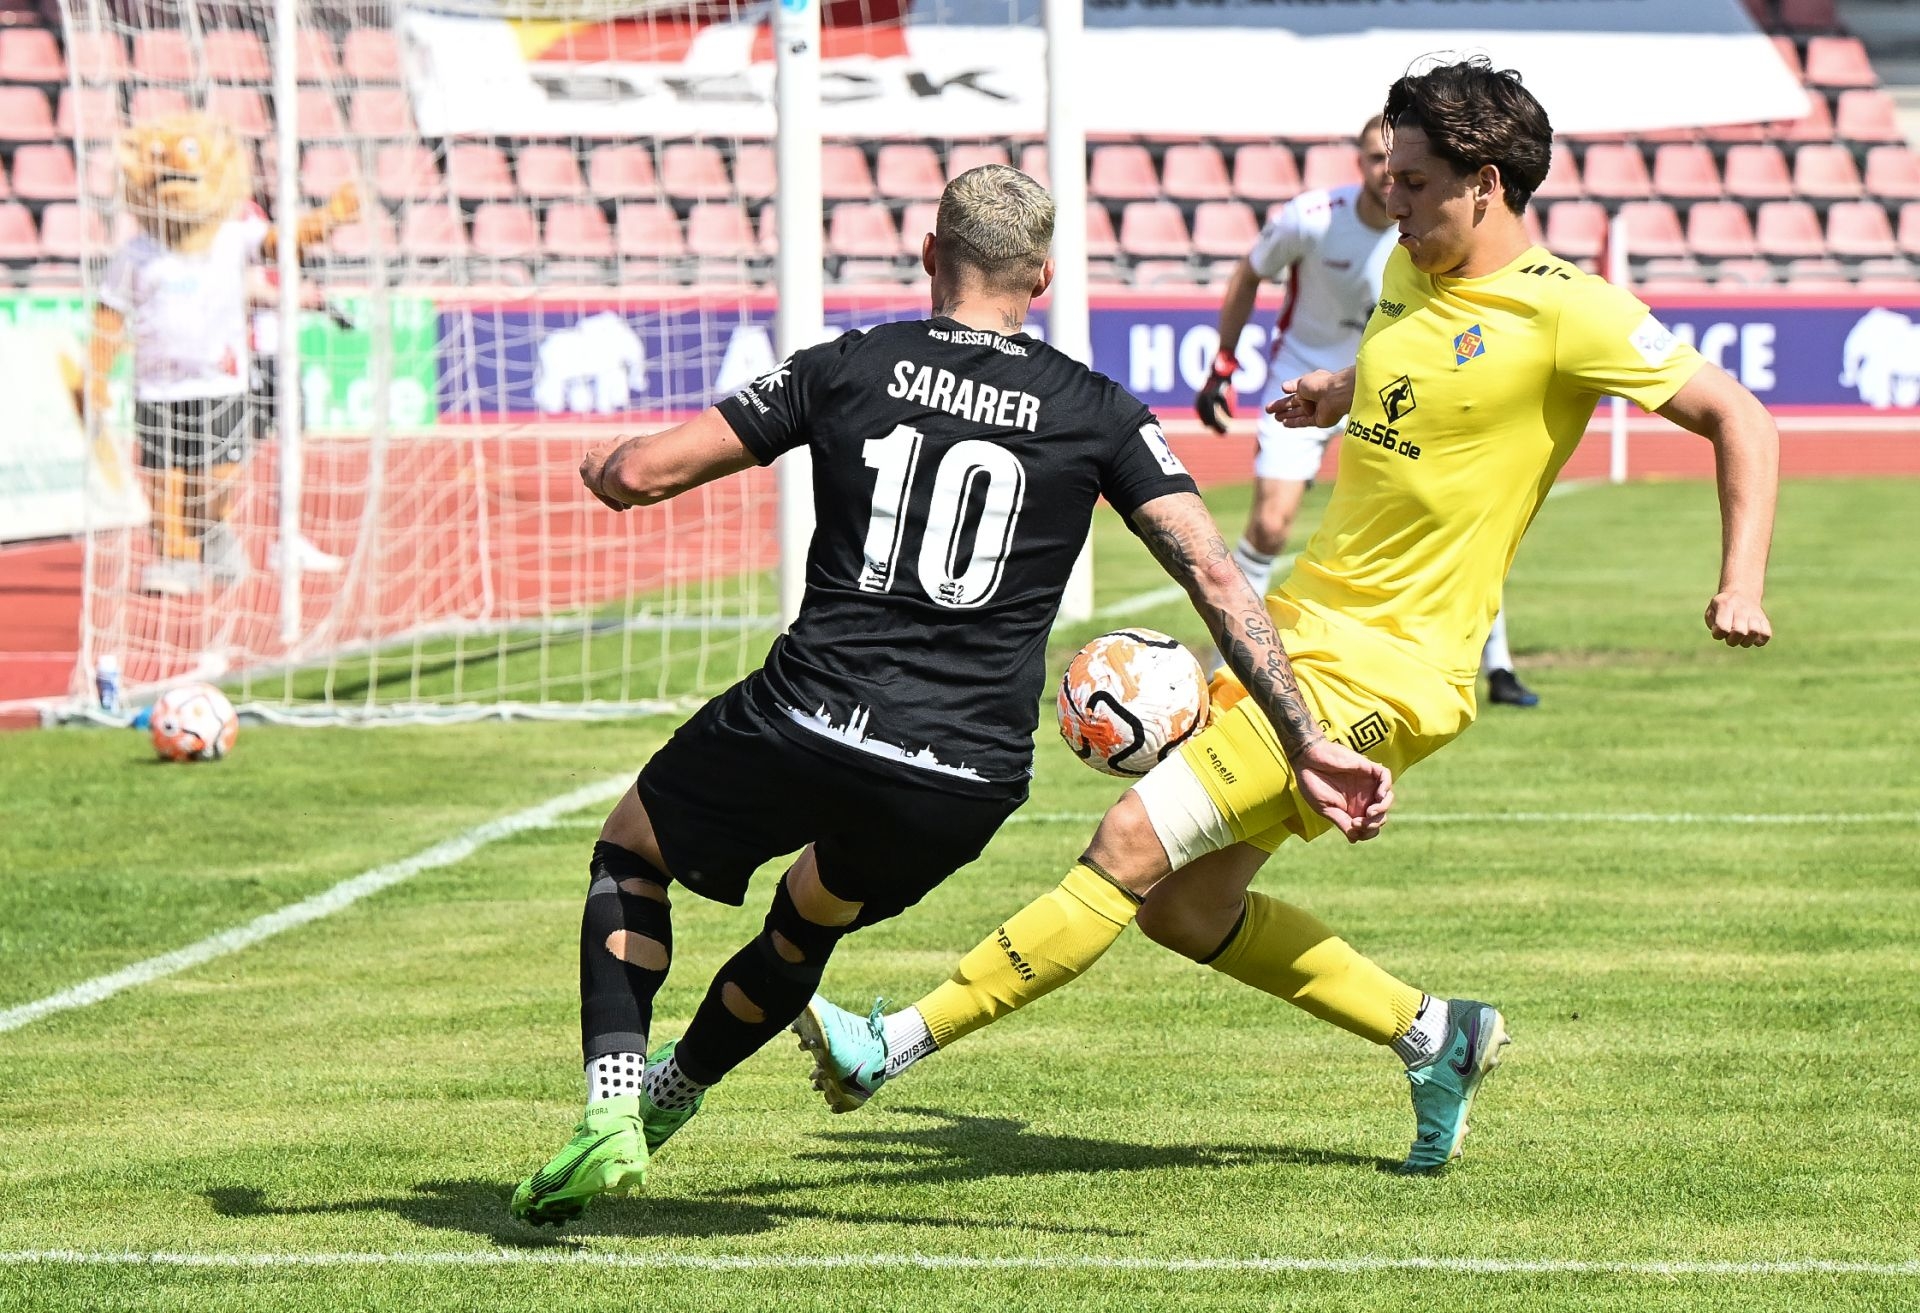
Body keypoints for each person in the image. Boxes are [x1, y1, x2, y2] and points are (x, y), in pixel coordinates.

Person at [798, 57, 1778, 1173]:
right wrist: (1340, 391)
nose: (1389, 199)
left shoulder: (1571, 309)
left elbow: (1740, 417)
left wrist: (1740, 580)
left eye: (1413, 182)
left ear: (1487, 186)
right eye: (1391, 175)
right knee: (1183, 908)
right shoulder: (1412, 266)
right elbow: (1425, 365)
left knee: (1129, 842)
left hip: (1393, 670)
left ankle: (890, 1043)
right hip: (1298, 627)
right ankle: (1436, 1034)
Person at [508, 165, 1391, 1228]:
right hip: (965, 775)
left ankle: (612, 1099)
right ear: (1044, 278)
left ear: (929, 253)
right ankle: (671, 1096)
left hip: (811, 714)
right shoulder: (1099, 410)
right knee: (807, 918)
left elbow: (645, 473)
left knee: (631, 849)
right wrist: (1303, 736)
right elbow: (1215, 572)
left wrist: (604, 464)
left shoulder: (851, 363)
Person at [1196, 117, 1540, 707]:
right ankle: (1230, 660)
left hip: (1394, 383)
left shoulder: (1432, 231)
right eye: (1373, 158)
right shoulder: (1310, 218)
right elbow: (1249, 273)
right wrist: (1223, 363)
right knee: (1271, 526)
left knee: (1448, 514)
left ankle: (1498, 666)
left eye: (1395, 161)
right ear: (1357, 162)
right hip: (1302, 379)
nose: (1385, 171)